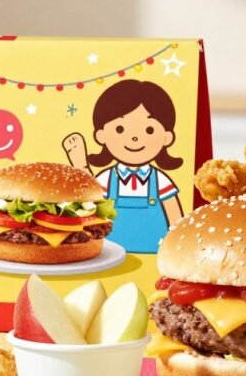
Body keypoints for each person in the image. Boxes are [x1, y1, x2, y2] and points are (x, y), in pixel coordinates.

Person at [63, 80, 184, 254]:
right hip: (107, 257)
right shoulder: (107, 178)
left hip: (157, 257)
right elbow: (88, 199)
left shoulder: (160, 180)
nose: (134, 138)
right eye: (120, 128)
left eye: (149, 130)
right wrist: (80, 164)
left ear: (167, 137)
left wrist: (179, 247)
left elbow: (175, 217)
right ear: (101, 135)